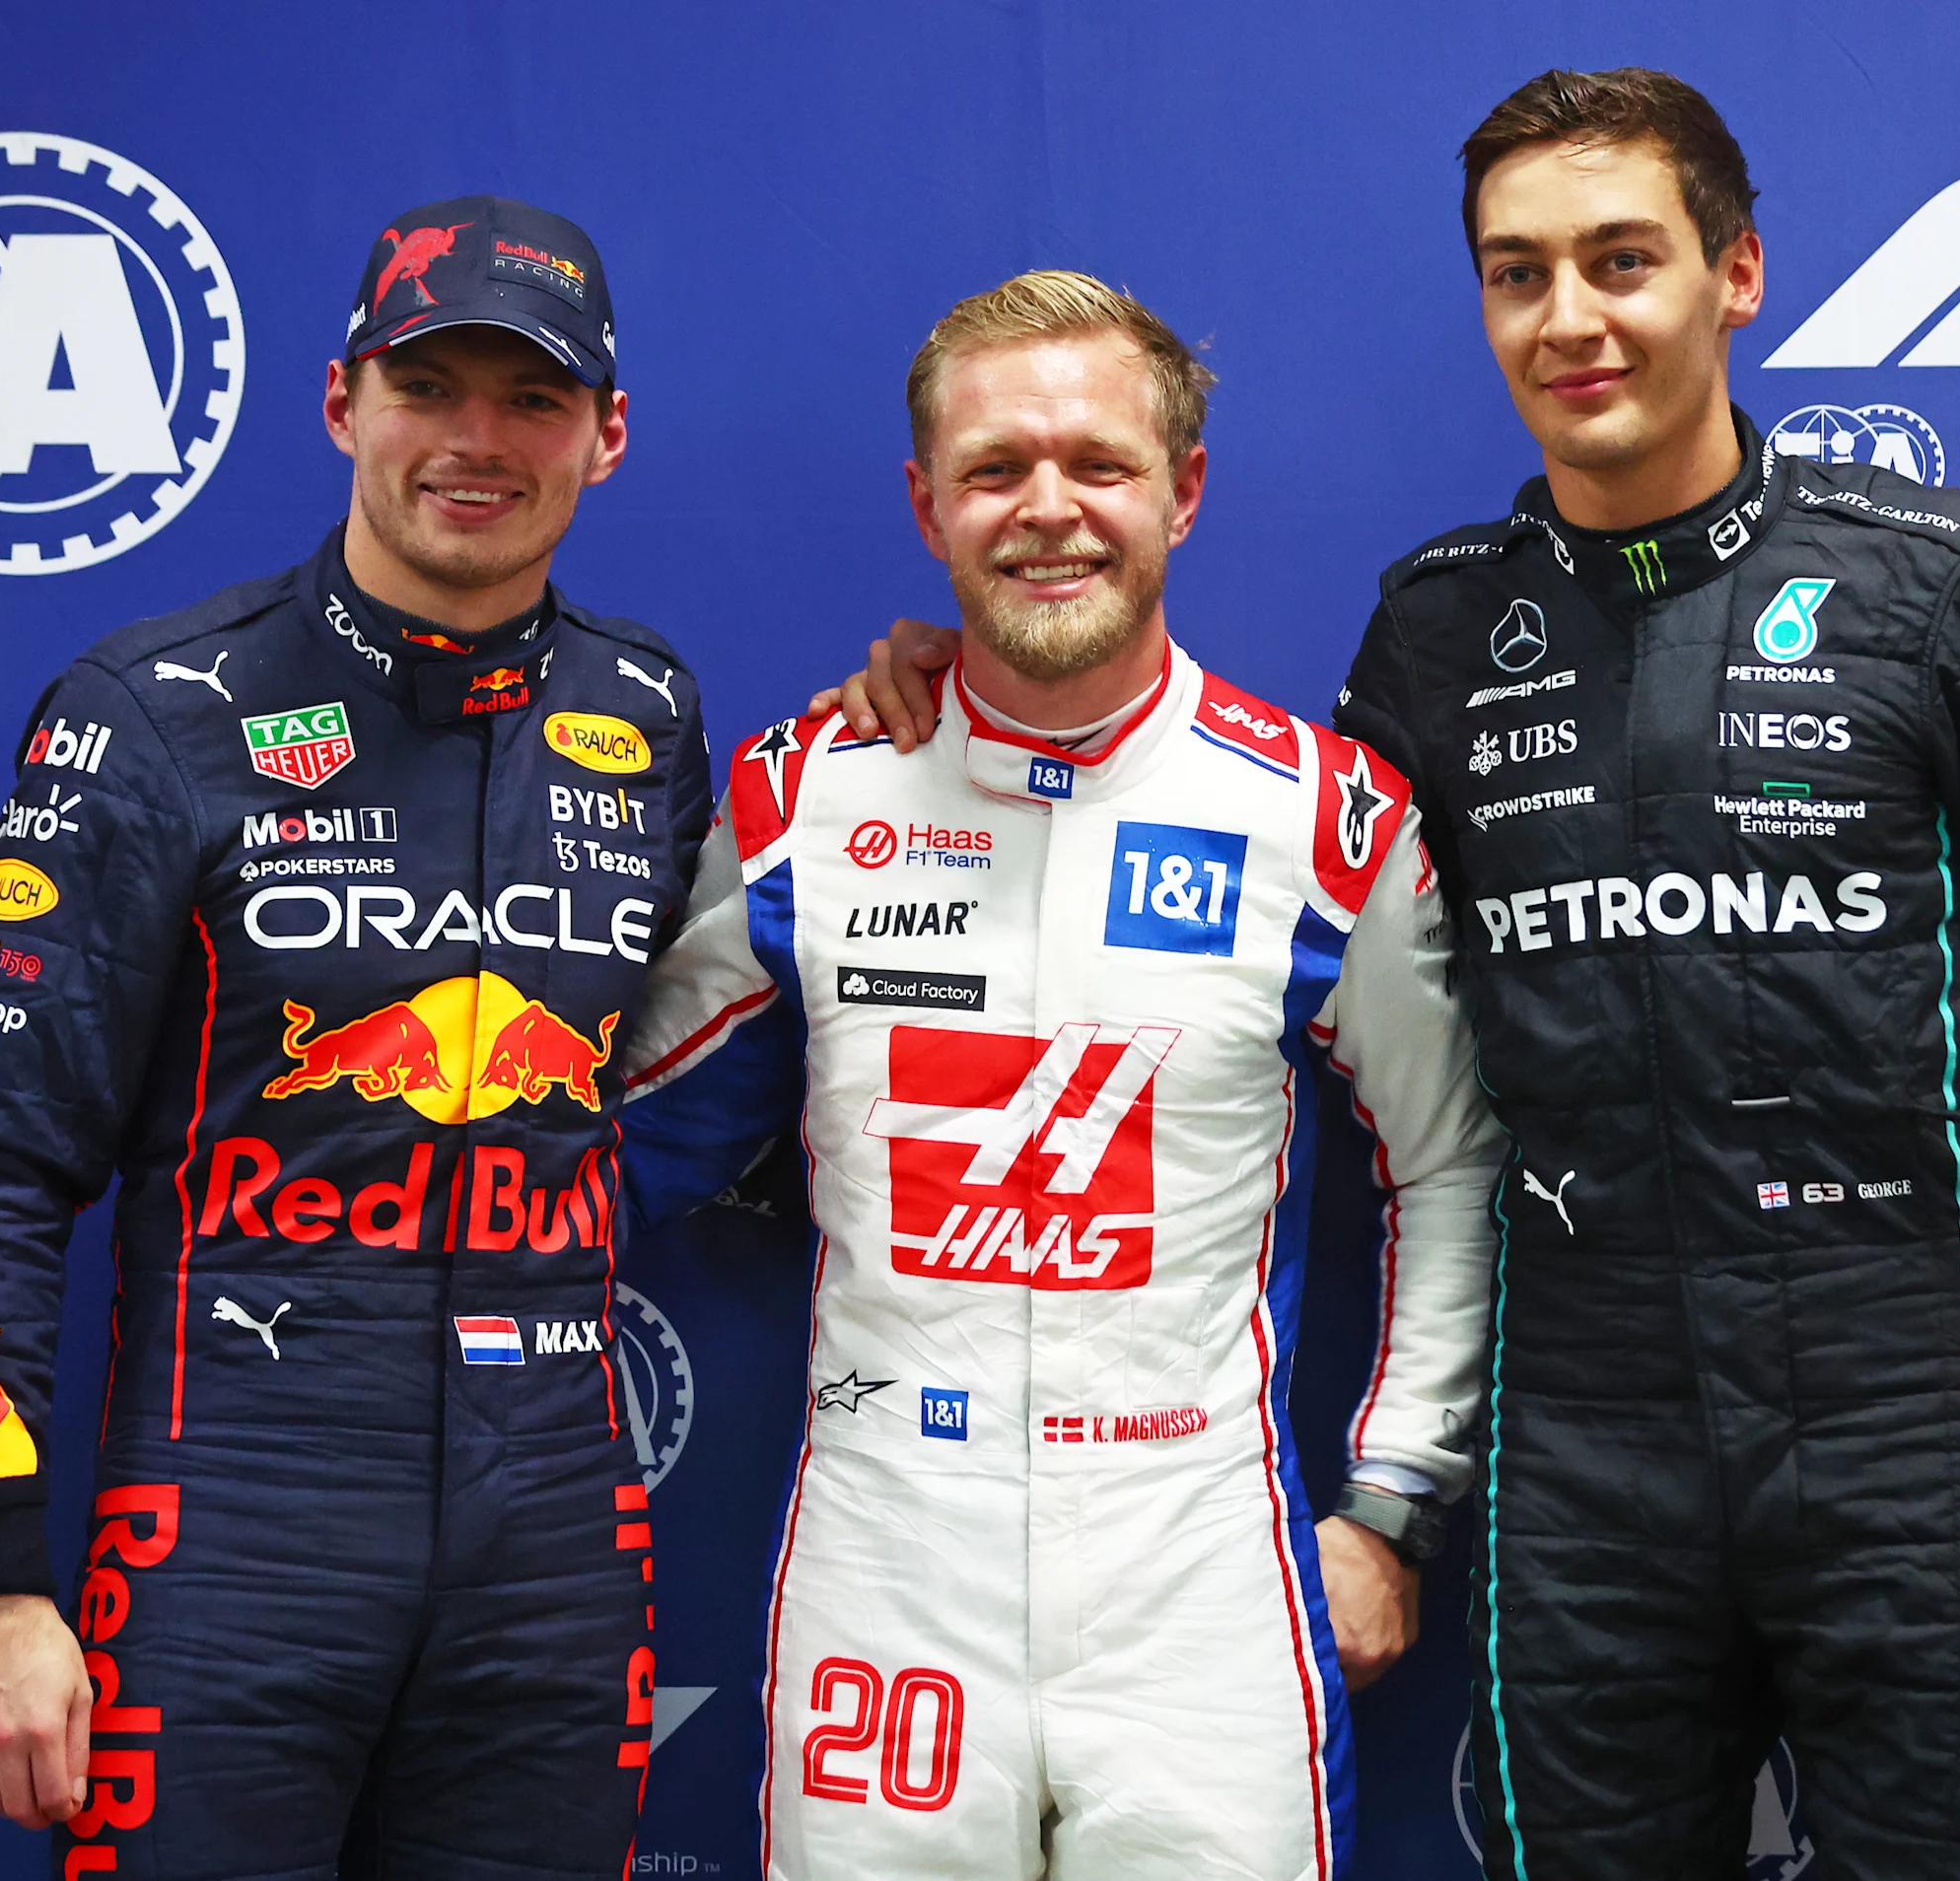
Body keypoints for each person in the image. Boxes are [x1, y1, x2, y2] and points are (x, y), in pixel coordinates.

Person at [824, 69, 1960, 1881]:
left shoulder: (1944, 579)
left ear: (1737, 275)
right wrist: (978, 694)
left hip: (1903, 1412)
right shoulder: (1434, 627)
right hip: (1583, 1439)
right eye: (1517, 273)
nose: (1568, 318)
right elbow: (1254, 912)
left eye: (1620, 260)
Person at [615, 270, 1504, 1880]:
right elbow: (610, 1148)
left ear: (1184, 487)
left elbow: (1449, 1162)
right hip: (891, 1547)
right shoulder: (799, 793)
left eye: (1098, 463)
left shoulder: (1322, 819)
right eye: (995, 469)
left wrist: (1388, 1504)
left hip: (1204, 1564)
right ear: (926, 502)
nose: (1049, 512)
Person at [0, 195, 709, 1879]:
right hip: (233, 1522)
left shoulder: (649, 712)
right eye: (430, 386)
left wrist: (922, 687)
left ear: (606, 439)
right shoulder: (151, 712)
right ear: (343, 404)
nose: (477, 441)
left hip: (555, 1538)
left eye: (533, 397)